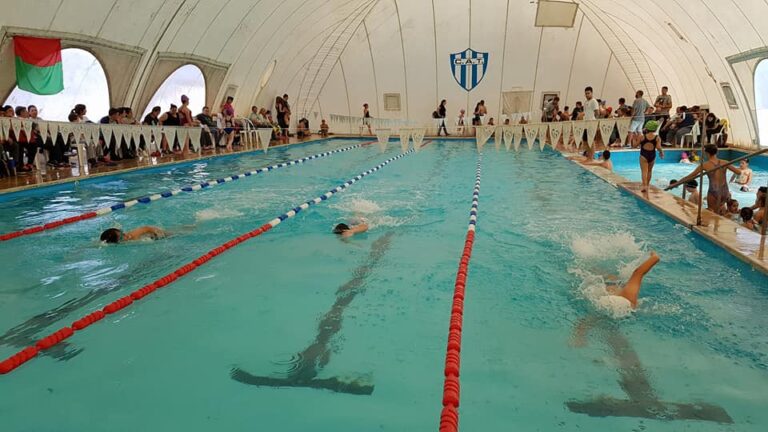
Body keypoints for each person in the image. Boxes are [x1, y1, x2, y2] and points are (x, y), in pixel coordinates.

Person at [668, 145, 741, 214]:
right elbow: (739, 172)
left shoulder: (705, 165)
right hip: (725, 191)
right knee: (722, 212)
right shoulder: (724, 162)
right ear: (717, 152)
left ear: (707, 153)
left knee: (713, 213)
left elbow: (690, 176)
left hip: (713, 191)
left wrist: (675, 184)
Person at [638, 120, 664, 192]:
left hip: (643, 155)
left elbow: (634, 145)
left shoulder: (642, 137)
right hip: (652, 155)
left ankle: (644, 186)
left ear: (646, 128)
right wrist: (661, 152)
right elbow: (658, 147)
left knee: (644, 171)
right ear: (655, 129)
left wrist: (635, 139)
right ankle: (648, 185)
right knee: (649, 171)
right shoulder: (657, 138)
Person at [100, 226, 166, 243]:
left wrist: (160, 236)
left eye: (122, 233)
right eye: (122, 236)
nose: (125, 235)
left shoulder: (133, 236)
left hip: (161, 234)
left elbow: (146, 228)